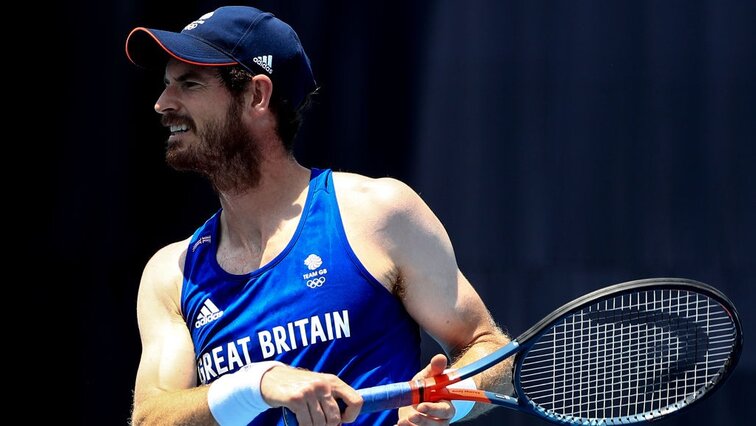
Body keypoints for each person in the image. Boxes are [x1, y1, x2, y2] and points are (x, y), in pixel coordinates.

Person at [126, 6, 511, 426]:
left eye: (189, 84)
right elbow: (151, 417)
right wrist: (257, 383)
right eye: (167, 85)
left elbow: (488, 347)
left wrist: (453, 398)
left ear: (257, 95)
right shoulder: (172, 273)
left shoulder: (377, 213)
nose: (163, 103)